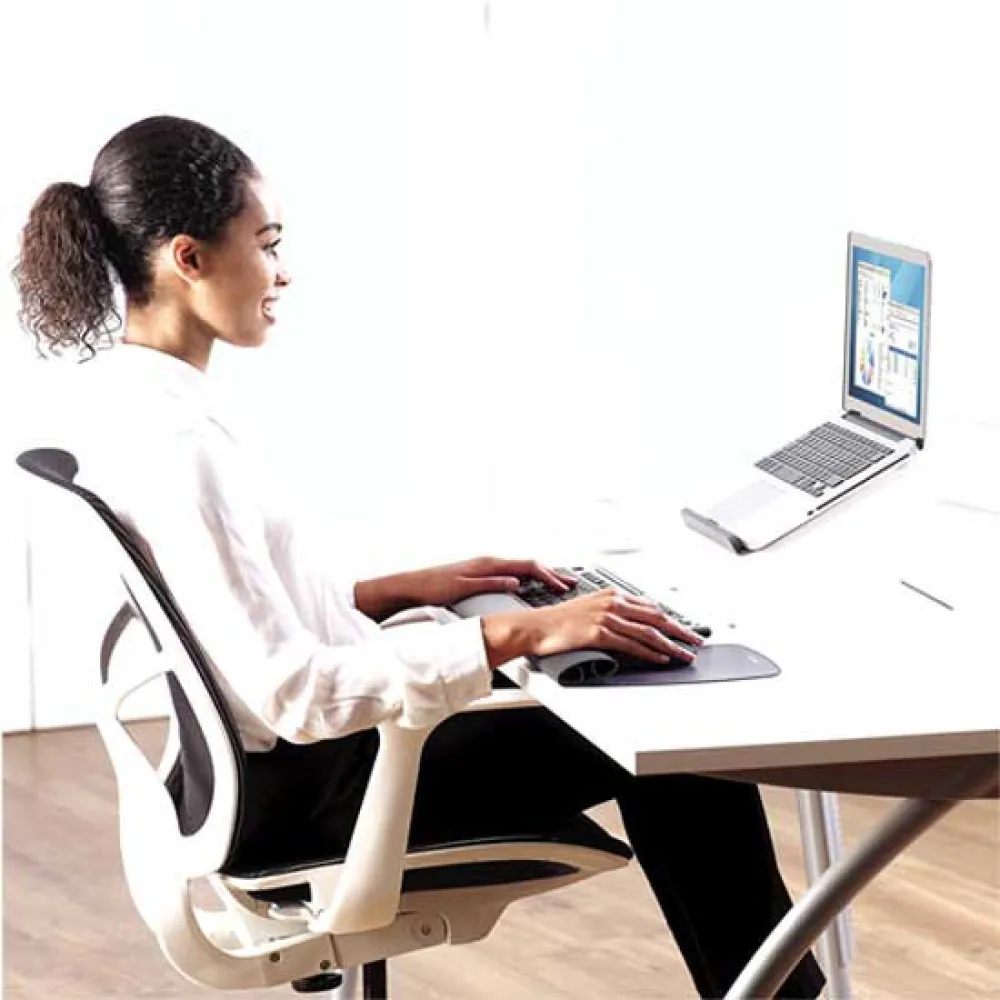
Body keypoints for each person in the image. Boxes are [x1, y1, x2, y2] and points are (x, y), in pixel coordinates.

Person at [12, 115, 824, 998]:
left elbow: (239, 611)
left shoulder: (141, 405)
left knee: (623, 683)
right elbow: (296, 692)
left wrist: (405, 590)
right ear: (188, 258)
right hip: (319, 791)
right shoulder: (182, 447)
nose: (283, 273)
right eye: (267, 244)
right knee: (676, 740)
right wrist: (515, 635)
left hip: (270, 779)